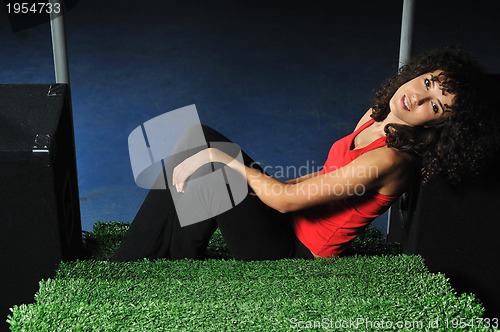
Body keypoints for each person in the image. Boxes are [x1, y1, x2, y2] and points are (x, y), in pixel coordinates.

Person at [111, 46, 495, 262]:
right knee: (201, 138)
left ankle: (130, 260)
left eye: (436, 106)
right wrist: (230, 164)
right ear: (420, 72)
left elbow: (285, 202)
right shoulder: (378, 117)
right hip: (288, 221)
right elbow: (323, 176)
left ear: (440, 126)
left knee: (216, 164)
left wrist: (226, 161)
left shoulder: (391, 158)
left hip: (295, 251)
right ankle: (171, 252)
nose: (418, 96)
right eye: (427, 82)